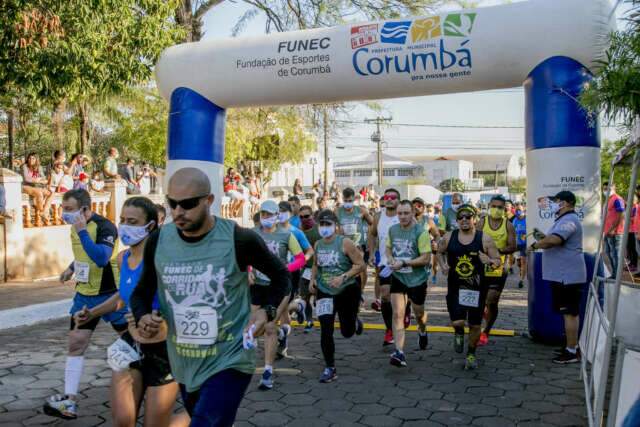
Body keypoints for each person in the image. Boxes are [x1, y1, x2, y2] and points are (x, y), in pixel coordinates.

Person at [130, 168, 289, 425]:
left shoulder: (238, 238)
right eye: (173, 203)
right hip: (184, 361)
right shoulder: (159, 240)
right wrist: (143, 316)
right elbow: (141, 292)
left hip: (230, 358)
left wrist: (267, 311)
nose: (179, 212)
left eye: (189, 204)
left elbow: (281, 276)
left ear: (209, 200)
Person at [72, 197, 186, 427]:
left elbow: (181, 300)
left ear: (150, 226)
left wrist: (158, 320)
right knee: (123, 422)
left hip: (165, 349)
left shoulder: (165, 259)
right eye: (122, 220)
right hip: (131, 345)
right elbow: (122, 298)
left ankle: (211, 418)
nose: (125, 226)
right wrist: (92, 313)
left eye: (132, 222)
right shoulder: (123, 258)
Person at [44, 189, 126, 420]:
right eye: (63, 208)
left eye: (69, 209)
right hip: (83, 296)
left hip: (111, 296)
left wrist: (81, 232)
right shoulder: (76, 227)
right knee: (76, 344)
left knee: (134, 341)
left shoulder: (105, 227)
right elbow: (83, 253)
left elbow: (101, 258)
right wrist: (71, 268)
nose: (64, 213)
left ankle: (155, 383)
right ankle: (69, 401)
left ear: (84, 209)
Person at [437, 204, 501, 370]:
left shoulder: (484, 239)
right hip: (456, 287)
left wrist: (490, 261)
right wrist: (443, 265)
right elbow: (439, 251)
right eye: (461, 217)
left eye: (468, 216)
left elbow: (498, 261)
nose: (464, 220)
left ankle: (471, 354)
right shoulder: (450, 236)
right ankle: (458, 332)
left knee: (474, 324)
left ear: (474, 219)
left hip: (476, 288)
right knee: (458, 322)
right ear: (457, 220)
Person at [249, 200, 304, 390]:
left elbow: (301, 258)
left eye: (269, 215)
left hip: (278, 286)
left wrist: (284, 269)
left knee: (270, 326)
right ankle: (283, 329)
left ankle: (267, 371)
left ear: (276, 216)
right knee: (254, 324)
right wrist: (248, 270)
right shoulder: (253, 234)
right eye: (263, 214)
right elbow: (246, 256)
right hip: (258, 285)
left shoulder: (286, 235)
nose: (266, 218)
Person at [528, 191, 586, 364]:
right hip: (562, 275)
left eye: (556, 201)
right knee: (566, 313)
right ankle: (570, 345)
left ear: (566, 203)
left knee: (570, 313)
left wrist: (534, 245)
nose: (553, 203)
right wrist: (543, 239)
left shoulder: (569, 220)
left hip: (567, 275)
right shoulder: (562, 220)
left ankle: (571, 351)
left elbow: (554, 240)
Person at [310, 209, 365, 383]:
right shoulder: (318, 244)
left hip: (347, 290)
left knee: (347, 332)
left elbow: (360, 265)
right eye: (322, 225)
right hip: (325, 291)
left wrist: (343, 277)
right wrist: (312, 279)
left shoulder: (345, 243)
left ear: (336, 226)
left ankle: (353, 320)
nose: (324, 228)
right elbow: (316, 265)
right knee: (326, 330)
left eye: (328, 224)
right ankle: (330, 367)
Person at [386, 200, 432, 367]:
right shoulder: (393, 230)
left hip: (417, 279)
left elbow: (426, 258)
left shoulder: (420, 232)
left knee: (418, 313)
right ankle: (399, 352)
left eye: (406, 213)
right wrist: (390, 258)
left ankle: (422, 329)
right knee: (397, 314)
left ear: (413, 213)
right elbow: (388, 248)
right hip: (398, 277)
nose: (403, 217)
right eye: (400, 213)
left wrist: (405, 263)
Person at [275, 200, 312, 359]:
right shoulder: (271, 231)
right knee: (279, 308)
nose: (280, 215)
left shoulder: (296, 232)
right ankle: (298, 307)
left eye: (284, 212)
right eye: (278, 211)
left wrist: (301, 261)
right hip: (273, 274)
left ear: (290, 214)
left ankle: (283, 343)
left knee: (282, 309)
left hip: (291, 274)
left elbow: (309, 250)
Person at [477, 195, 516, 346]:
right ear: (489, 206)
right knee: (480, 301)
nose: (497, 210)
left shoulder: (508, 225)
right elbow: (474, 240)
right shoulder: (482, 222)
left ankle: (486, 331)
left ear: (504, 209)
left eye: (500, 207)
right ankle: (477, 325)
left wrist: (496, 251)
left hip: (499, 268)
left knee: (492, 301)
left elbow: (513, 246)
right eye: (494, 206)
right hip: (481, 266)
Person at [368, 188, 401, 346]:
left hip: (403, 263)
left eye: (393, 197)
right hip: (385, 263)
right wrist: (372, 253)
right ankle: (389, 330)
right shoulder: (378, 216)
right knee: (386, 295)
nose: (389, 199)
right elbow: (372, 234)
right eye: (386, 197)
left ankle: (405, 311)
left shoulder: (403, 215)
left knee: (402, 296)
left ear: (398, 201)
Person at [337, 187, 373, 293]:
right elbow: (334, 227)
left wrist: (369, 239)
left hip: (359, 246)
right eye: (346, 201)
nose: (348, 203)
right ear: (342, 199)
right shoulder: (337, 211)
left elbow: (373, 225)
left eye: (350, 201)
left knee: (361, 270)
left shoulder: (361, 211)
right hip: (344, 246)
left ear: (354, 199)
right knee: (348, 270)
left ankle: (360, 292)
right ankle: (347, 291)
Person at [297, 205, 321, 332]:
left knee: (320, 297)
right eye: (301, 217)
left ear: (312, 215)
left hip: (320, 269)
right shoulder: (298, 231)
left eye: (307, 216)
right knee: (305, 298)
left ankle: (324, 320)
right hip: (305, 269)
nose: (304, 219)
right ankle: (309, 321)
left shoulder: (319, 229)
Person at [22, 152, 54, 226]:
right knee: (39, 193)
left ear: (36, 159)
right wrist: (37, 180)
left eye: (33, 158)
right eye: (29, 158)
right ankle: (43, 213)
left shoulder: (39, 167)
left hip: (37, 186)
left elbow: (44, 179)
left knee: (51, 193)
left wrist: (40, 180)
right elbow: (26, 179)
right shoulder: (24, 166)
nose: (31, 159)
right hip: (25, 186)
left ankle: (44, 211)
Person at [603, 182, 625, 275]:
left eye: (608, 188)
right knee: (608, 253)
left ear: (614, 188)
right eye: (604, 189)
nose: (605, 190)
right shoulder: (608, 200)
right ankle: (614, 274)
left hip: (615, 232)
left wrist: (613, 229)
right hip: (607, 232)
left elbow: (621, 215)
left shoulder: (617, 199)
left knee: (615, 254)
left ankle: (617, 276)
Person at [513, 206, 527, 288]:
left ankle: (521, 280)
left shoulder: (527, 220)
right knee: (519, 263)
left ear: (523, 211)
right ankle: (520, 271)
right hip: (517, 244)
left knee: (523, 262)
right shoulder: (515, 220)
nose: (518, 214)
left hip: (525, 244)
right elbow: (512, 232)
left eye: (520, 211)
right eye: (517, 212)